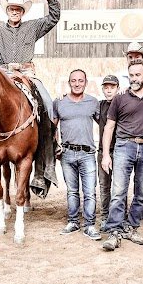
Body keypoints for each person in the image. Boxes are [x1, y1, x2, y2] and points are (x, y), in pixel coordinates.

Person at [0, 0, 61, 197]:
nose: (15, 11)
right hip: (3, 73)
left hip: (26, 73)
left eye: (18, 9)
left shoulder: (33, 27)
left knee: (46, 101)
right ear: (7, 11)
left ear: (22, 12)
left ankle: (50, 143)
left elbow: (53, 18)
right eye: (11, 8)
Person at [99, 43, 143, 252]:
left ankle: (131, 227)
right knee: (118, 191)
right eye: (131, 75)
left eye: (138, 74)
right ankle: (114, 231)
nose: (134, 78)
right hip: (124, 146)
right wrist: (105, 155)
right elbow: (109, 127)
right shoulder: (120, 98)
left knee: (142, 193)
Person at [54, 69, 100, 239]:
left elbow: (105, 123)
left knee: (90, 192)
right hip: (67, 154)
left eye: (81, 80)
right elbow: (53, 127)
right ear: (69, 83)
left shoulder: (93, 102)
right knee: (72, 191)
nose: (77, 84)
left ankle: (89, 225)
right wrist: (55, 146)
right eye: (74, 81)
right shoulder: (59, 103)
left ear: (86, 83)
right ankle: (73, 222)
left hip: (87, 154)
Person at [96, 74, 119, 231]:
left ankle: (118, 216)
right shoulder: (99, 105)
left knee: (119, 187)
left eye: (112, 87)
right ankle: (105, 215)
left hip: (120, 151)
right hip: (103, 150)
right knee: (104, 185)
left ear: (118, 88)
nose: (109, 90)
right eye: (106, 87)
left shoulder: (123, 103)